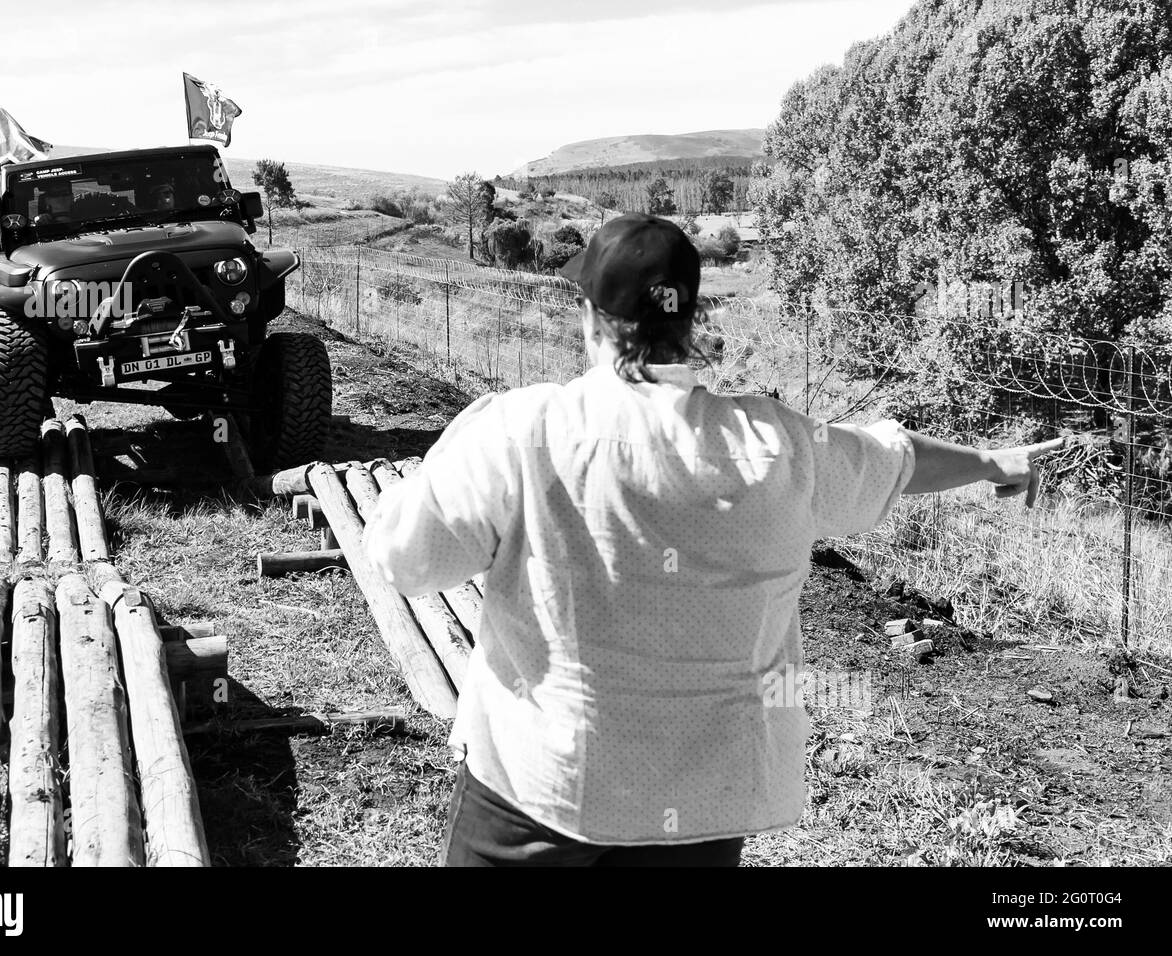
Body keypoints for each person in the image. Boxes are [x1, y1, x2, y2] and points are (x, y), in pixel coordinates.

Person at [363, 213, 1064, 867]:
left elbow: (407, 561)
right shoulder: (782, 444)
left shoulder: (520, 431)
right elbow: (894, 459)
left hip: (538, 795)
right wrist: (991, 461)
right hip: (702, 811)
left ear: (593, 319)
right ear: (689, 318)